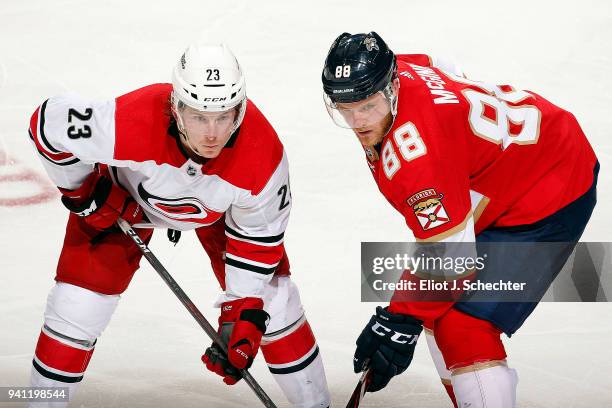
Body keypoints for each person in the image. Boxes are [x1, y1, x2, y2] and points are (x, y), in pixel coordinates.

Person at [27, 43, 330, 408]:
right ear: (176, 107)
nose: (213, 133)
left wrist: (242, 310)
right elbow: (46, 125)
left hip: (220, 212)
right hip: (124, 204)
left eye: (225, 115)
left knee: (275, 303)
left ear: (241, 109)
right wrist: (85, 191)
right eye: (199, 116)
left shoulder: (262, 158)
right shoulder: (131, 121)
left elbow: (258, 239)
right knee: (77, 307)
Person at [321, 32, 598, 407]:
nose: (356, 121)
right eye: (344, 107)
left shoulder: (419, 158)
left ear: (390, 89)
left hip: (551, 189)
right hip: (527, 159)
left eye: (367, 107)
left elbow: (452, 261)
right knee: (437, 311)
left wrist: (399, 318)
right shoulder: (398, 69)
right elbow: (443, 65)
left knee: (463, 324)